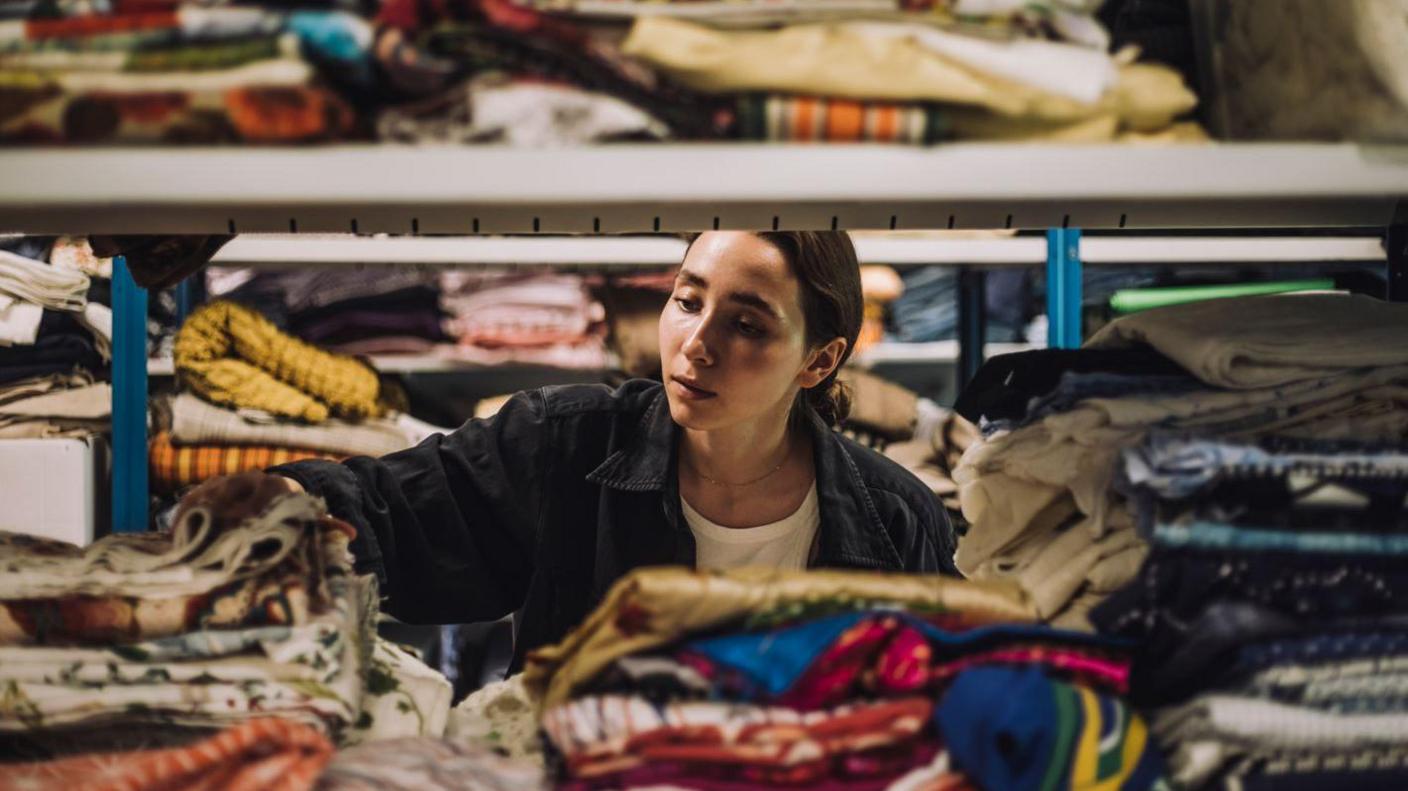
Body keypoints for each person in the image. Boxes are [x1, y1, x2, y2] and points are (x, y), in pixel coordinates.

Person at [246, 231, 956, 669]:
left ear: (819, 360)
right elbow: (391, 508)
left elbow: (950, 702)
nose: (697, 343)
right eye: (687, 300)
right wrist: (279, 507)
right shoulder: (568, 442)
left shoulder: (894, 518)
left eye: (746, 323)